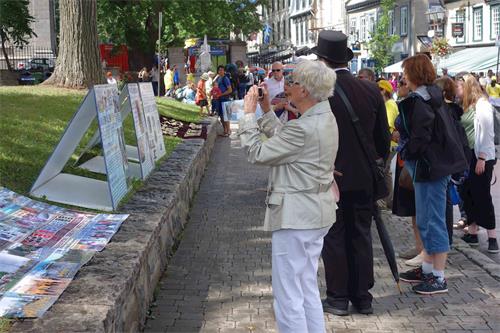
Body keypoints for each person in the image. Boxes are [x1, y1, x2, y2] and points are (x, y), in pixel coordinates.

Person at [238, 59, 338, 333]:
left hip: (296, 217)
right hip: (315, 212)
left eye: (292, 82)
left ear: (304, 91)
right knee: (305, 286)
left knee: (288, 295)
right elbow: (288, 140)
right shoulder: (324, 117)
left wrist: (247, 116)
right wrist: (268, 110)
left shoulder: (304, 127)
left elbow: (257, 153)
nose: (288, 86)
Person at [313, 30, 390, 315]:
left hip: (330, 175)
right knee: (361, 236)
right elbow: (382, 139)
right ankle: (363, 297)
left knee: (333, 237)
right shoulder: (370, 90)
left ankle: (338, 297)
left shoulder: (320, 94)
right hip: (364, 177)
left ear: (322, 61)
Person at [397, 54, 467, 294]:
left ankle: (438, 276)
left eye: (406, 72)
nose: (403, 76)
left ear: (414, 74)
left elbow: (421, 136)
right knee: (428, 219)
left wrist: (406, 150)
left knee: (433, 221)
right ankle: (428, 269)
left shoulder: (422, 99)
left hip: (430, 167)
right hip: (433, 166)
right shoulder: (431, 96)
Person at [460, 74, 499, 253]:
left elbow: (486, 132)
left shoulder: (482, 104)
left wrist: (482, 157)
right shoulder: (465, 105)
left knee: (482, 195)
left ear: (467, 86)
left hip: (480, 156)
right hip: (467, 155)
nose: (457, 89)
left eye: (459, 86)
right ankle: (473, 232)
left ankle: (492, 237)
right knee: (468, 194)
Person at [378, 79, 399, 209]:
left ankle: (385, 200)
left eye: (378, 89)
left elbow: (388, 125)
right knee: (386, 172)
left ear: (384, 90)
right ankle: (388, 200)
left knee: (384, 170)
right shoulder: (389, 103)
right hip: (390, 143)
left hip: (390, 143)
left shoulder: (389, 104)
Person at [215, 65, 233, 136]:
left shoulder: (225, 79)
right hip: (219, 100)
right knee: (221, 116)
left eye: (222, 70)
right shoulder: (218, 78)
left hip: (225, 99)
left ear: (224, 71)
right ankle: (225, 130)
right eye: (219, 70)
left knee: (226, 116)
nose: (220, 71)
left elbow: (230, 90)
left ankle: (228, 130)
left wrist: (221, 94)